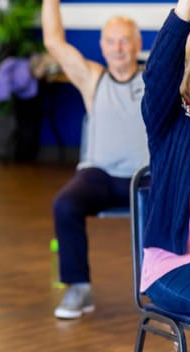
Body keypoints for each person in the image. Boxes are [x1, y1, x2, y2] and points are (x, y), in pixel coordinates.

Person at [42, 0, 150, 319]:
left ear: (137, 44)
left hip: (146, 177)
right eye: (112, 41)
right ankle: (79, 287)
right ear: (102, 46)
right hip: (99, 176)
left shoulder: (153, 79)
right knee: (65, 203)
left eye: (125, 40)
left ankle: (164, 287)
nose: (118, 48)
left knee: (178, 199)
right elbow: (53, 41)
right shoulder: (92, 78)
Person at [139, 0, 190, 352]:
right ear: (189, 77)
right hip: (172, 267)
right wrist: (187, 6)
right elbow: (159, 69)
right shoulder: (170, 128)